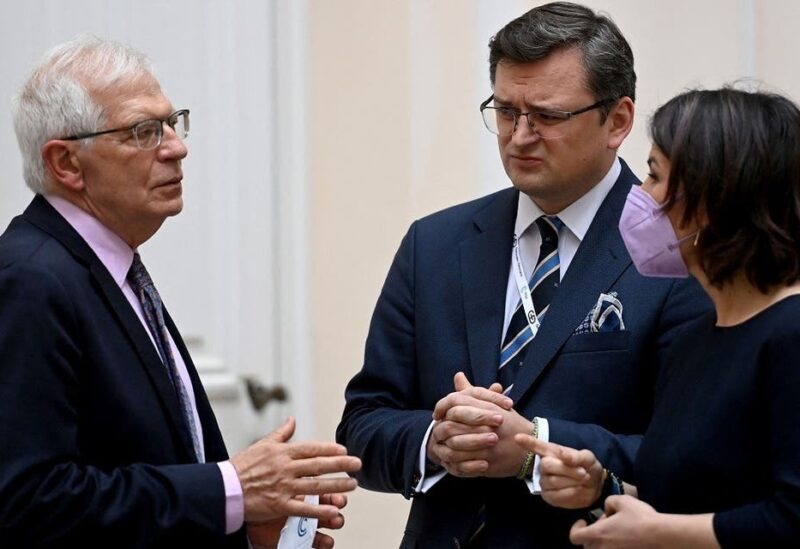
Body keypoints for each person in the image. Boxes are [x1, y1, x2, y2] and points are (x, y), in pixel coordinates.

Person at [336, 2, 710, 547]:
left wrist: (537, 446)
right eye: (506, 111)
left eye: (548, 116)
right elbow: (362, 429)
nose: (520, 136)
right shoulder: (434, 244)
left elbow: (699, 456)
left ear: (619, 121)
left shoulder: (675, 247)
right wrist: (436, 441)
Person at [0, 36, 361, 548]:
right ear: (67, 164)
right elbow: (29, 501)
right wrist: (232, 488)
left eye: (172, 122)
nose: (176, 146)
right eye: (143, 131)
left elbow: (146, 465)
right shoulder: (28, 280)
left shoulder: (113, 268)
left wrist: (244, 524)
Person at [517, 86, 800, 548]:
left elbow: (790, 517)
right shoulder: (695, 340)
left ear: (714, 198)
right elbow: (689, 492)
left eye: (654, 176)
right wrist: (602, 486)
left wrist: (655, 534)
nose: (640, 195)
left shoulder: (790, 335)